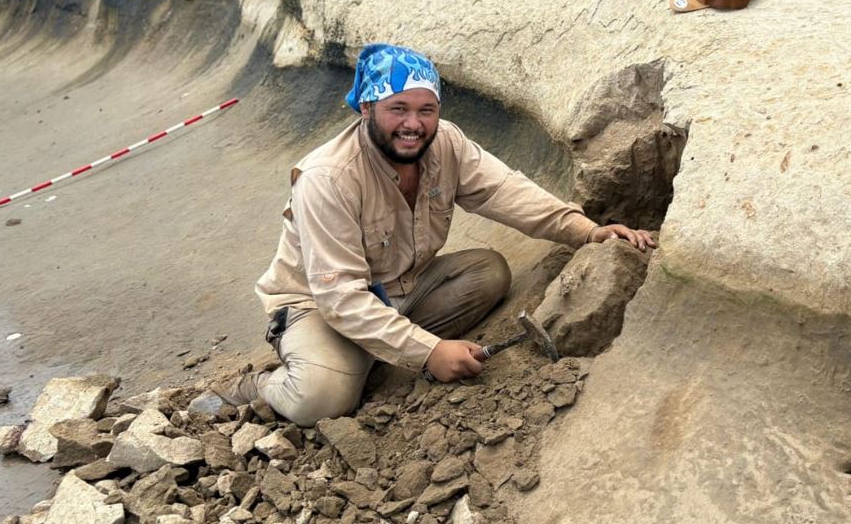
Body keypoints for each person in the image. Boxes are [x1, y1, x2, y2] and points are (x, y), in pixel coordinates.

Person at [202, 43, 654, 426]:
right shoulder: (328, 178)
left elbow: (506, 191)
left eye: (426, 109)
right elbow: (339, 297)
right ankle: (261, 385)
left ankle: (374, 358)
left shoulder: (446, 145)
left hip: (400, 290)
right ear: (366, 108)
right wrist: (430, 351)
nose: (413, 123)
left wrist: (588, 232)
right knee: (322, 399)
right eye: (397, 108)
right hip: (317, 306)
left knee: (488, 272)